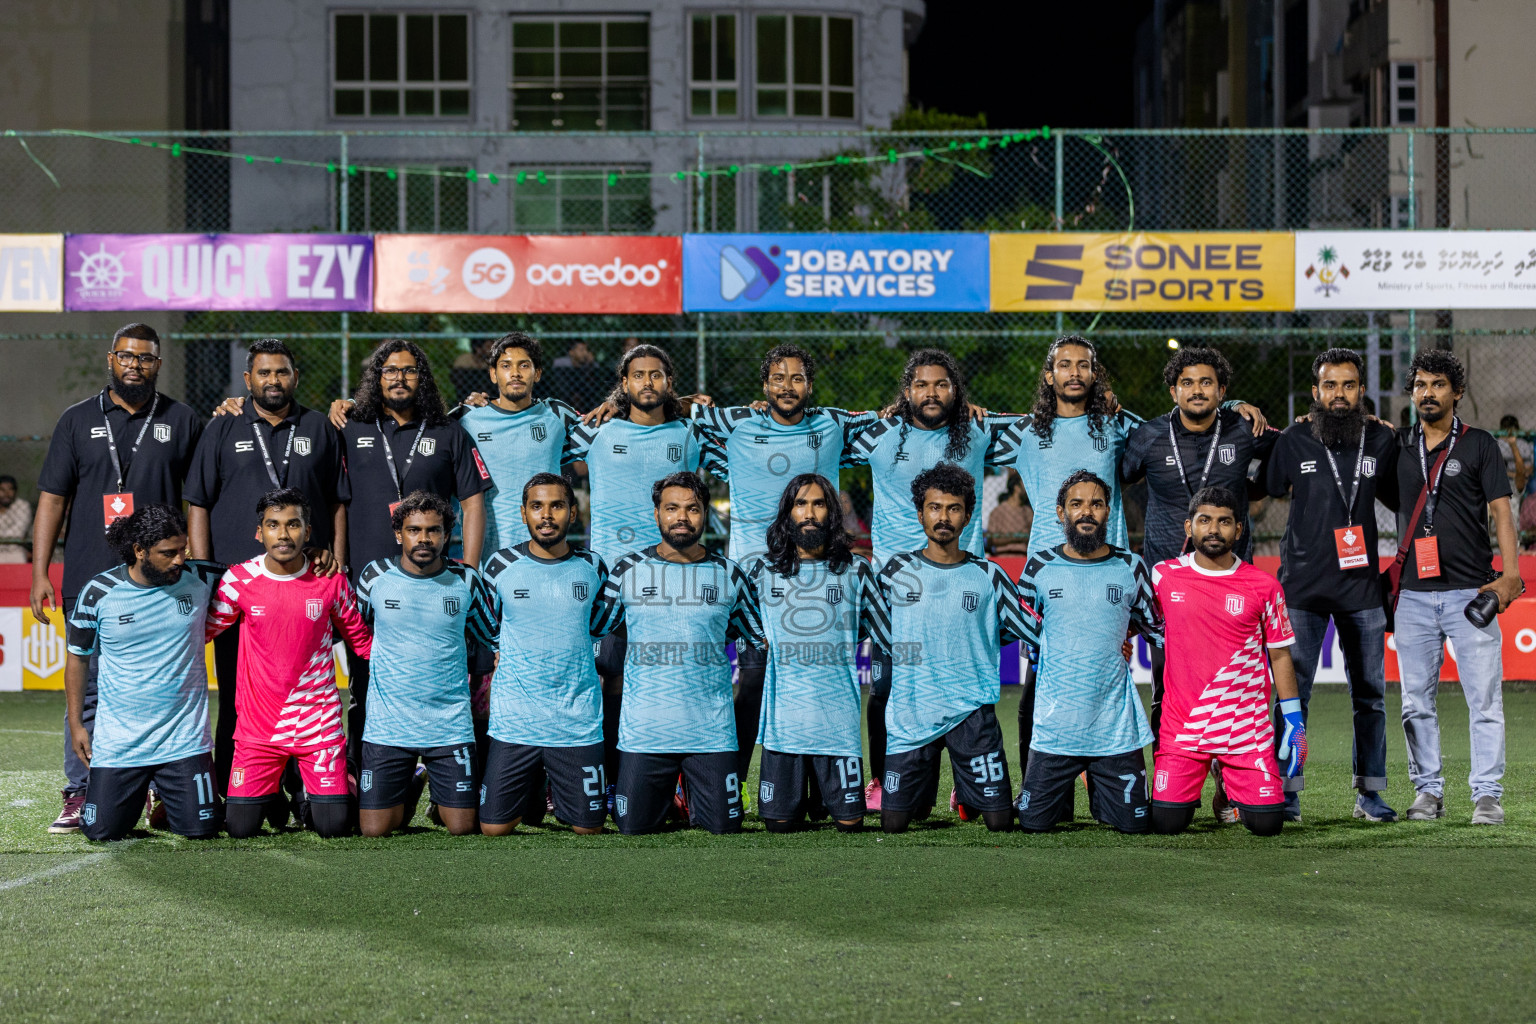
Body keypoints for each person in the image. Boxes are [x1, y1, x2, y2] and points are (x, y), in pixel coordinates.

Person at [1014, 337, 1266, 783]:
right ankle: (1037, 786)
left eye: (1084, 365)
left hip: (1115, 572)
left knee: (1130, 677)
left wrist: (1240, 403)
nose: (1075, 373)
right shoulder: (1023, 430)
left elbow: (1190, 424)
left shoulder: (1120, 427)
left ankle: (1192, 783)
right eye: (1065, 365)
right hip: (1055, 575)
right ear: (1048, 375)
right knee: (1042, 681)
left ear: (1095, 374)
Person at [33, 323, 204, 834]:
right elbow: (53, 498)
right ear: (111, 359)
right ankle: (78, 790)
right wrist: (41, 570)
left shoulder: (181, 419)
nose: (135, 365)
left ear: (158, 363)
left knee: (162, 684)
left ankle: (156, 783)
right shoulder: (77, 420)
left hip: (160, 582)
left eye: (146, 358)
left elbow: (196, 497)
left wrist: (196, 559)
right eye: (126, 357)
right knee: (86, 690)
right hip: (90, 575)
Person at [843, 349, 1025, 810]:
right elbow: (819, 428)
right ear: (906, 391)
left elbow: (1047, 422)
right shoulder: (878, 433)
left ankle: (966, 786)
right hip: (896, 592)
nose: (931, 393)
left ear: (955, 390)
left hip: (964, 585)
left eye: (941, 384)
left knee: (968, 691)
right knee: (885, 690)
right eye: (921, 385)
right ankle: (884, 780)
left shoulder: (978, 430)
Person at [687, 345, 876, 786]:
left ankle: (811, 788)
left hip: (815, 578)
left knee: (813, 683)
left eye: (796, 379)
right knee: (750, 683)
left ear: (809, 385)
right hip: (752, 583)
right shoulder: (737, 422)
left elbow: (887, 419)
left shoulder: (832, 424)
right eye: (777, 378)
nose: (786, 387)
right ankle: (728, 785)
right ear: (764, 385)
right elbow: (683, 411)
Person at [184, 338, 349, 799]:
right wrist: (203, 569)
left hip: (305, 587)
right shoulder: (222, 426)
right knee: (238, 696)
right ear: (247, 379)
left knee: (305, 690)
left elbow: (337, 502)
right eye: (263, 373)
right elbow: (198, 501)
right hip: (240, 591)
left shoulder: (319, 426)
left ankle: (304, 793)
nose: (272, 381)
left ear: (294, 377)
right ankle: (229, 792)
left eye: (281, 372)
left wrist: (338, 555)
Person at [334, 340, 492, 776]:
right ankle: (361, 777)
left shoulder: (448, 432)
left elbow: (473, 501)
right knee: (365, 683)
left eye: (408, 370)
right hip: (369, 586)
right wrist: (340, 567)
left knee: (444, 678)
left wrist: (471, 571)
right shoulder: (350, 429)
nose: (398, 378)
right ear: (376, 377)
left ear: (421, 378)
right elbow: (338, 505)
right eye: (389, 370)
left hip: (434, 583)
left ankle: (452, 779)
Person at [568, 345, 722, 786]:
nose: (647, 383)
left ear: (669, 383)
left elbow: (746, 438)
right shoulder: (596, 431)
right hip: (613, 583)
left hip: (676, 581)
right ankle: (606, 780)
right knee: (607, 681)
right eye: (638, 375)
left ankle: (675, 783)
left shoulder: (692, 434)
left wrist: (699, 404)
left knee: (672, 678)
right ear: (625, 383)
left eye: (656, 375)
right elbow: (541, 436)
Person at [1264, 348, 1399, 824]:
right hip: (1301, 588)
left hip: (1361, 589)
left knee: (1369, 694)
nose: (1338, 395)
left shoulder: (1382, 441)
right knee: (1290, 695)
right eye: (1329, 386)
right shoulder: (1295, 439)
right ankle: (1286, 791)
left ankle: (1371, 792)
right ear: (1315, 392)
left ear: (1361, 391)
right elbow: (1265, 492)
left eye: (1348, 386)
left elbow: (1405, 495)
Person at [1392, 350, 1522, 825]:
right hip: (1412, 595)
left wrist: (1509, 574)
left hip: (1471, 590)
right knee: (1415, 701)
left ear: (1457, 391)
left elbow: (1502, 512)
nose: (1428, 392)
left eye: (1438, 384)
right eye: (1420, 384)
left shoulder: (1480, 444)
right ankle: (1428, 791)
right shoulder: (1399, 445)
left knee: (1484, 699)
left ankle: (1486, 795)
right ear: (1412, 394)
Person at [596, 471, 765, 835]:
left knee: (725, 826)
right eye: (672, 508)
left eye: (692, 509)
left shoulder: (730, 575)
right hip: (645, 732)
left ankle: (688, 792)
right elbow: (598, 627)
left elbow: (755, 636)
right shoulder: (627, 570)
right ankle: (669, 792)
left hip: (711, 733)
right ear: (656, 514)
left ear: (705, 514)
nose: (682, 518)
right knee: (632, 827)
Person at [205, 489, 373, 839]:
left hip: (319, 724)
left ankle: (339, 782)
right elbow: (201, 632)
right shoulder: (238, 581)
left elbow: (361, 642)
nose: (283, 534)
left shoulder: (331, 581)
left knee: (334, 827)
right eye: (273, 525)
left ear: (307, 532)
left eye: (293, 525)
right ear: (259, 532)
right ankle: (271, 795)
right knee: (239, 828)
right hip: (259, 730)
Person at [877, 463, 1030, 834]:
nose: (943, 517)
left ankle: (967, 793)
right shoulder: (896, 570)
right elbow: (875, 627)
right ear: (920, 514)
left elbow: (1025, 628)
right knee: (894, 824)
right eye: (934, 508)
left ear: (967, 516)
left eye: (953, 508)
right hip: (912, 714)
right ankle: (952, 792)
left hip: (972, 713)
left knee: (1000, 822)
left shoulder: (988, 574)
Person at [1150, 486, 1304, 837]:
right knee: (1166, 823)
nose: (1214, 530)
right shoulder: (1163, 575)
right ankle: (1208, 772)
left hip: (1244, 730)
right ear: (1189, 528)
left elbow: (1279, 654)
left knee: (1267, 825)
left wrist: (1294, 720)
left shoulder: (1263, 586)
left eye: (1224, 522)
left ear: (1238, 529)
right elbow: (1135, 622)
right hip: (1183, 730)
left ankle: (1225, 788)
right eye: (1204, 521)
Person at [1014, 470, 1163, 833]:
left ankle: (1099, 786)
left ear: (1108, 512)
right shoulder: (1038, 567)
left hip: (1114, 728)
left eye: (1096, 504)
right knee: (1033, 824)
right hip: (1056, 727)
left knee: (1135, 826)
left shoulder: (1131, 566)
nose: (1086, 512)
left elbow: (1157, 628)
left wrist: (1119, 636)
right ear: (1060, 513)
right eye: (1076, 504)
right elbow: (1025, 635)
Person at [65, 505, 224, 841]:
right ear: (139, 550)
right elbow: (77, 659)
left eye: (183, 549)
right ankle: (143, 793)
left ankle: (166, 798)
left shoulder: (202, 577)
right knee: (100, 832)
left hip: (184, 742)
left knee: (202, 830)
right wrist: (78, 724)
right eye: (169, 553)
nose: (180, 559)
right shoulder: (97, 593)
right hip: (120, 744)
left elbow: (261, 573)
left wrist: (312, 554)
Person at [479, 473, 622, 835]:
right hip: (517, 720)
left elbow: (597, 626)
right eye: (537, 506)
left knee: (588, 830)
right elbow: (489, 627)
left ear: (572, 513)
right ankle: (534, 790)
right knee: (494, 829)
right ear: (523, 513)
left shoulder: (593, 567)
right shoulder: (498, 567)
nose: (547, 515)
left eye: (557, 505)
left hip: (576, 722)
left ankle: (550, 790)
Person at [747, 474, 888, 832]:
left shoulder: (856, 569)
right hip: (784, 723)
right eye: (801, 503)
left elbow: (880, 630)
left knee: (851, 823)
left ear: (832, 513)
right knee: (778, 825)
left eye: (819, 503)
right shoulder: (763, 571)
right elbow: (743, 625)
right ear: (787, 513)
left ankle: (825, 797)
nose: (809, 512)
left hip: (836, 721)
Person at [354, 491, 497, 837]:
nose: (424, 539)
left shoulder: (466, 581)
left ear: (447, 535)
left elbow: (491, 633)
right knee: (375, 831)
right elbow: (358, 627)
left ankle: (436, 786)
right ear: (398, 534)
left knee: (462, 828)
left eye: (433, 530)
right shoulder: (374, 577)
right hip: (389, 726)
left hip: (448, 725)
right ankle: (414, 779)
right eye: (414, 530)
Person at [455, 332, 583, 556]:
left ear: (538, 373)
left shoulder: (557, 415)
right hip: (486, 554)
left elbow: (607, 436)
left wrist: (614, 405)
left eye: (524, 365)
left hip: (545, 552)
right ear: (493, 374)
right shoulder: (466, 418)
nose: (515, 373)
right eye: (506, 366)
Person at [549, 340, 611, 413]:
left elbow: (592, 387)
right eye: (581, 350)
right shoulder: (561, 364)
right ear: (571, 352)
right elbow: (561, 386)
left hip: (586, 399)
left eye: (586, 350)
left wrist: (589, 366)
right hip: (566, 396)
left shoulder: (591, 365)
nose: (585, 353)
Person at [986, 471, 1032, 556]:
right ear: (1016, 487)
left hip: (1024, 557)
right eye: (1025, 485)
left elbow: (1032, 538)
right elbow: (991, 539)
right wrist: (1019, 537)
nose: (1028, 489)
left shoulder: (1028, 512)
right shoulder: (998, 512)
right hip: (1002, 557)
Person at [1495, 414, 1531, 496]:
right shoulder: (1497, 443)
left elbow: (1529, 468)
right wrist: (1513, 474)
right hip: (1502, 478)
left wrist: (1521, 474)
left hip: (1520, 479)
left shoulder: (1523, 444)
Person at [0, 475, 33, 562]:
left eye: (10, 489)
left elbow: (18, 533)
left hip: (16, 549)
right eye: (2, 490)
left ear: (15, 491)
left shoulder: (22, 505)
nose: (7, 494)